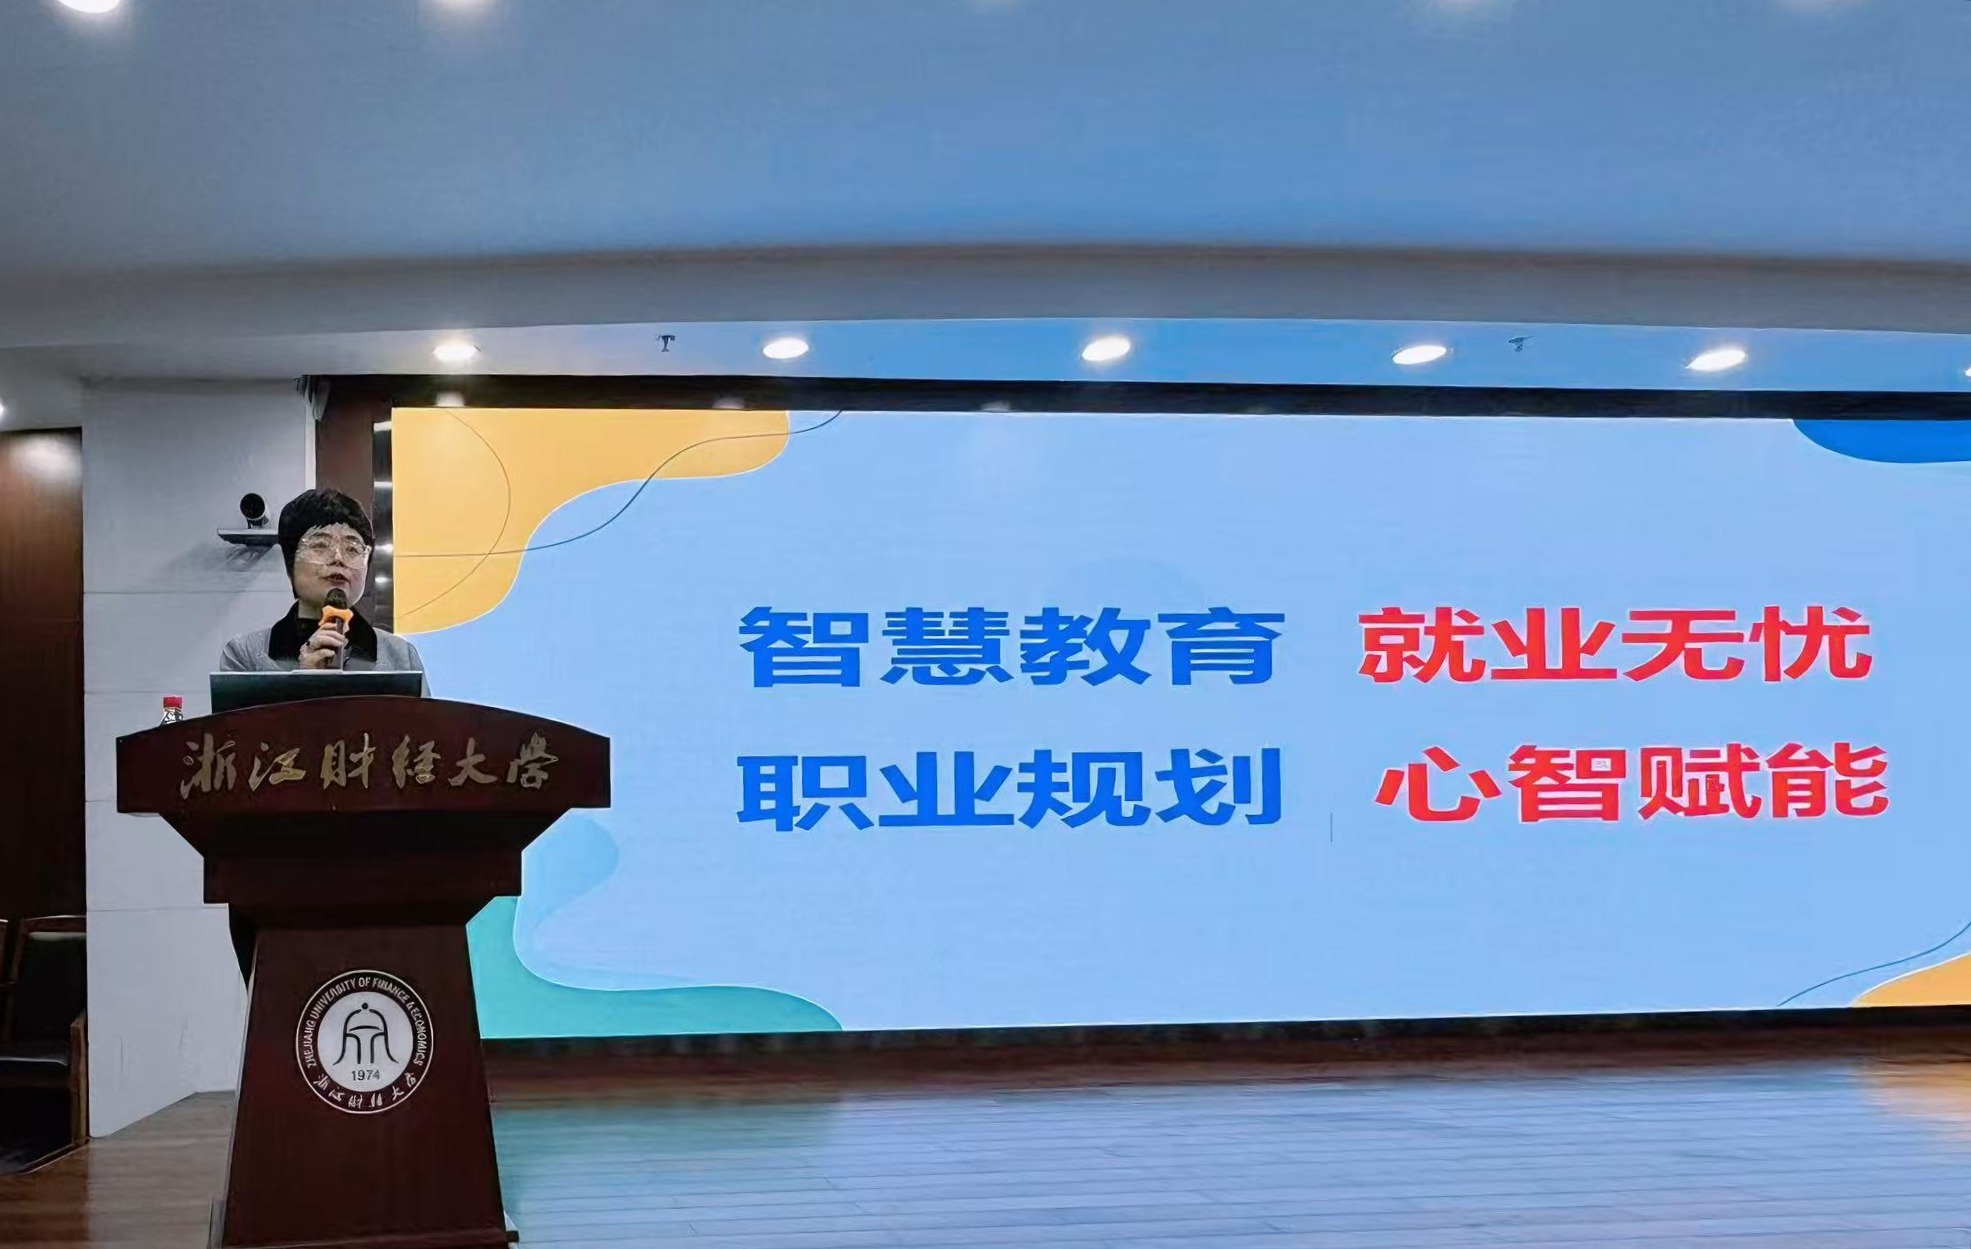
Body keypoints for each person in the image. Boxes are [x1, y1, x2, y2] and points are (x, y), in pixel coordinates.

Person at [218, 488, 427, 980]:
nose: (339, 559)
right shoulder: (247, 654)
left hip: (378, 864)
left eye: (354, 547)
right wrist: (301, 681)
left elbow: (425, 758)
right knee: (285, 1006)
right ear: (289, 561)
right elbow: (232, 761)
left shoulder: (399, 656)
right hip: (276, 868)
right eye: (320, 544)